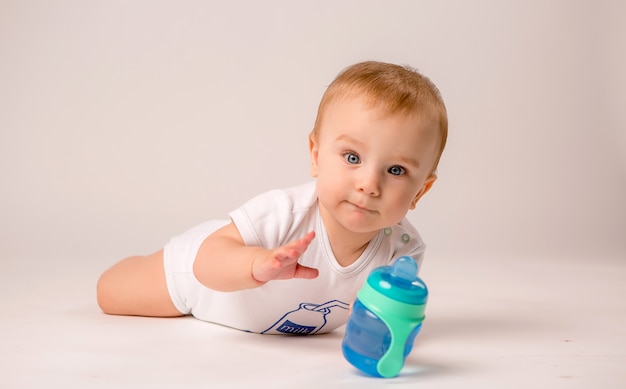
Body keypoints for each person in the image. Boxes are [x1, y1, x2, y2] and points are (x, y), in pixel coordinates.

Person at [97, 60, 448, 335]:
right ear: (315, 154)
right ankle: (141, 261)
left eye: (396, 171)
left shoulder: (403, 251)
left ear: (421, 190)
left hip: (280, 324)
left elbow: (382, 318)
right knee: (110, 293)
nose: (369, 184)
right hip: (197, 283)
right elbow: (206, 262)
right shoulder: (286, 212)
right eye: (352, 158)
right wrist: (256, 264)